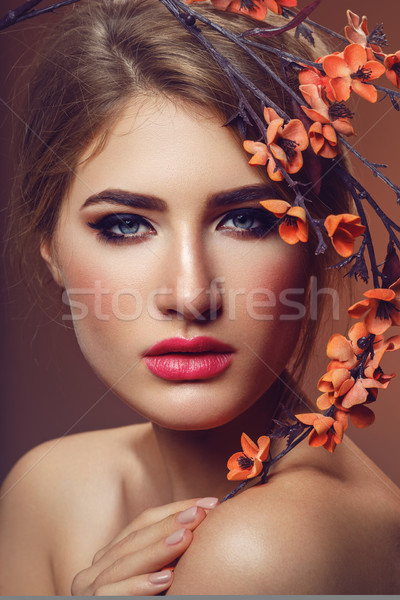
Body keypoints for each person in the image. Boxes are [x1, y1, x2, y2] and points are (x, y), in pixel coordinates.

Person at [1, 0, 400, 594]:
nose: (190, 295)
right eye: (125, 225)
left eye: (246, 220)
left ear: (319, 238)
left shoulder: (266, 548)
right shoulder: (47, 488)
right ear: (51, 250)